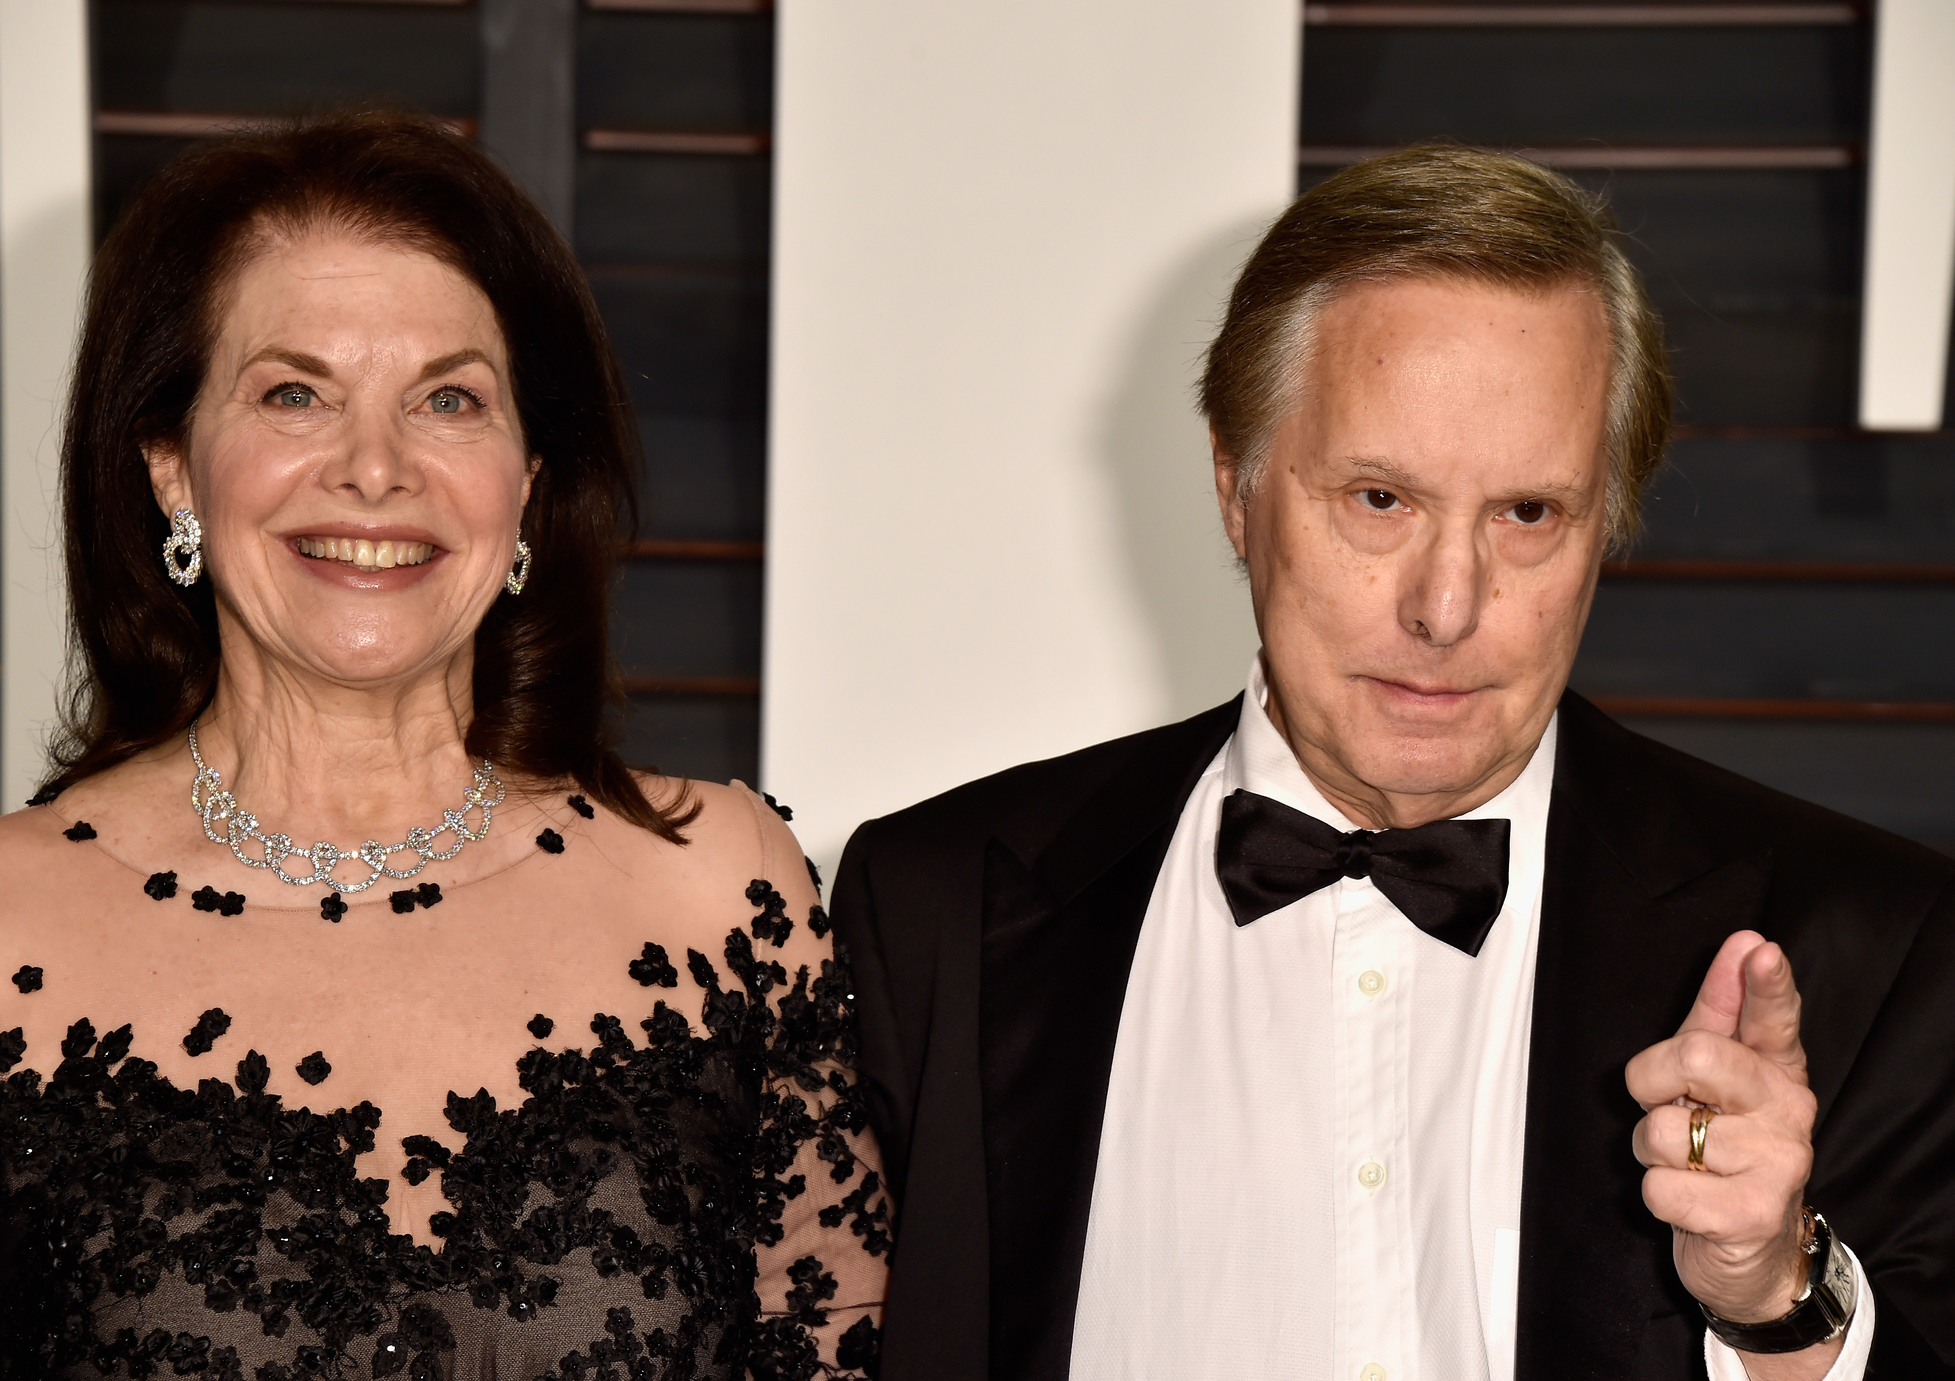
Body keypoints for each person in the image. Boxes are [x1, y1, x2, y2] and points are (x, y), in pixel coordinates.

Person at [831, 146, 1955, 1381]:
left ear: (1604, 529)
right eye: (1379, 499)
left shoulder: (1869, 943)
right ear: (1234, 485)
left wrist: (1773, 1297)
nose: (1446, 605)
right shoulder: (932, 903)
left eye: (1527, 514)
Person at [0, 113, 888, 1379]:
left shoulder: (721, 887)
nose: (375, 468)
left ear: (527, 477)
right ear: (171, 468)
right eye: (294, 392)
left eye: (448, 398)